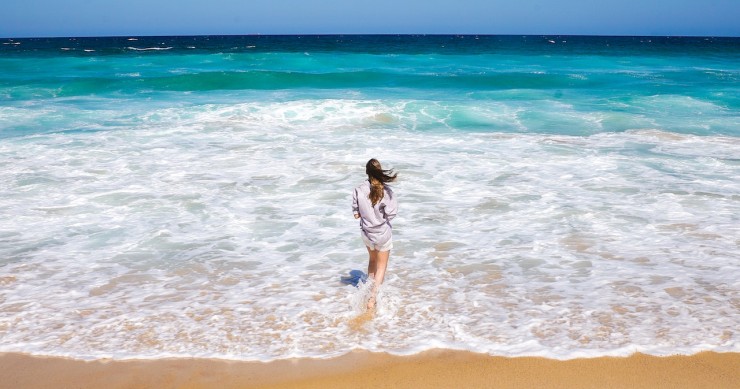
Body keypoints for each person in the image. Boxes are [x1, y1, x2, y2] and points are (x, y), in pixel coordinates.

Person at [352, 158, 398, 310]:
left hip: (366, 233)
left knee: (372, 261)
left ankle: (367, 292)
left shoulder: (358, 189)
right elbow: (391, 214)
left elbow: (356, 214)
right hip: (382, 234)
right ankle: (373, 298)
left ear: (366, 172)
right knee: (382, 265)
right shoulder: (386, 191)